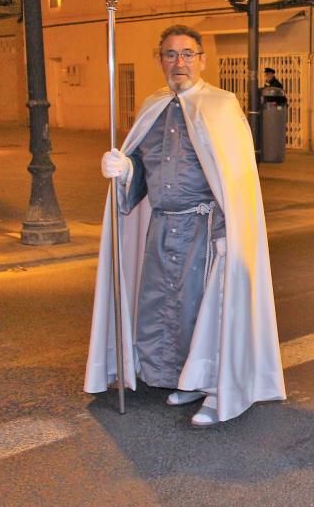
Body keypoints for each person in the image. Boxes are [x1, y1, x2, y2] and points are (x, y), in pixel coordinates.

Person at [85, 25, 285, 427]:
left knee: (207, 310)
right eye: (171, 54)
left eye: (188, 54)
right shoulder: (152, 106)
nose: (180, 62)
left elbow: (235, 179)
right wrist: (124, 169)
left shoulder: (222, 106)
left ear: (202, 60)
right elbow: (141, 170)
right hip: (161, 227)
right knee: (163, 306)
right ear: (159, 60)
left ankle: (216, 388)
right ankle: (186, 378)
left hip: (206, 230)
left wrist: (230, 232)